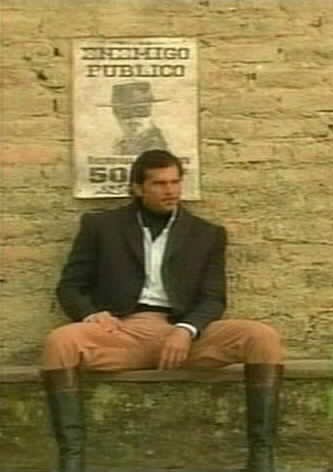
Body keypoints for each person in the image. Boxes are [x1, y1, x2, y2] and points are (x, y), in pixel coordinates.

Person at [42, 149, 285, 472]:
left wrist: (186, 330)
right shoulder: (101, 226)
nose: (170, 190)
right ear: (138, 188)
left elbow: (213, 298)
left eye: (175, 182)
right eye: (159, 184)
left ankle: (261, 461)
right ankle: (71, 462)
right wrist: (92, 314)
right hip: (121, 332)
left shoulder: (207, 234)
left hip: (183, 334)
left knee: (262, 337)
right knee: (59, 343)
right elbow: (70, 287)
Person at [101, 81, 169, 155]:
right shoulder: (120, 145)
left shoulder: (156, 146)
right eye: (125, 112)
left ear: (151, 110)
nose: (133, 118)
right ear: (115, 113)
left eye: (140, 110)